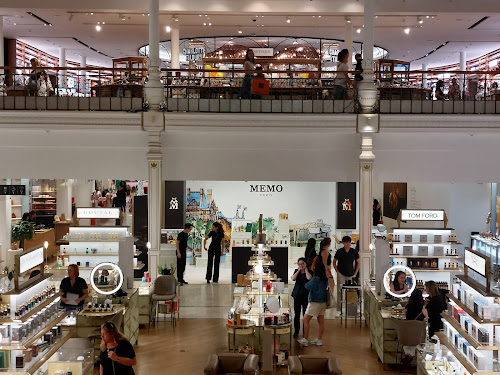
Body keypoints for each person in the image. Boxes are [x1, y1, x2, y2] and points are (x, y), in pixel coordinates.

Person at [297, 257, 328, 347]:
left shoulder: (315, 279)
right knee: (321, 321)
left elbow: (307, 286)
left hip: (314, 302)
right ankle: (319, 340)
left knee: (305, 319)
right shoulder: (324, 279)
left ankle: (305, 339)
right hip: (323, 302)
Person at [333, 236, 360, 313]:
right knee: (339, 290)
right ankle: (339, 309)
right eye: (346, 242)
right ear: (343, 243)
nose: (348, 244)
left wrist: (355, 273)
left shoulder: (354, 252)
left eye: (349, 242)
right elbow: (334, 261)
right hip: (341, 273)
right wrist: (337, 271)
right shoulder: (339, 251)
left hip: (351, 274)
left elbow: (358, 262)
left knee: (351, 291)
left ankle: (352, 308)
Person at [402, 289, 428, 365]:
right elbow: (426, 319)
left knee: (408, 342)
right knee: (417, 341)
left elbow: (404, 316)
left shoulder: (407, 306)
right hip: (418, 333)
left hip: (406, 332)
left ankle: (409, 355)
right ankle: (410, 356)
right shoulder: (422, 309)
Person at [291, 257, 312, 338]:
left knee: (305, 315)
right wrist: (299, 270)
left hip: (306, 295)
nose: (301, 265)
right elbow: (293, 278)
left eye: (303, 264)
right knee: (296, 314)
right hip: (297, 295)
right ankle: (296, 331)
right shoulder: (297, 271)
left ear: (306, 264)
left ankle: (304, 332)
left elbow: (309, 278)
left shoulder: (309, 271)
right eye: (299, 264)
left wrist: (306, 270)